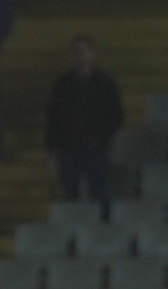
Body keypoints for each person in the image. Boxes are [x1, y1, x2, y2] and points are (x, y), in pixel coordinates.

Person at [44, 35, 123, 203]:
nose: (81, 55)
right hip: (68, 149)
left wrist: (104, 140)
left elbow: (116, 116)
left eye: (85, 51)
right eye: (77, 52)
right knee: (70, 196)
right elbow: (52, 121)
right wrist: (51, 154)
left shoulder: (105, 84)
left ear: (92, 54)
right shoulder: (62, 85)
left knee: (100, 195)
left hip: (96, 148)